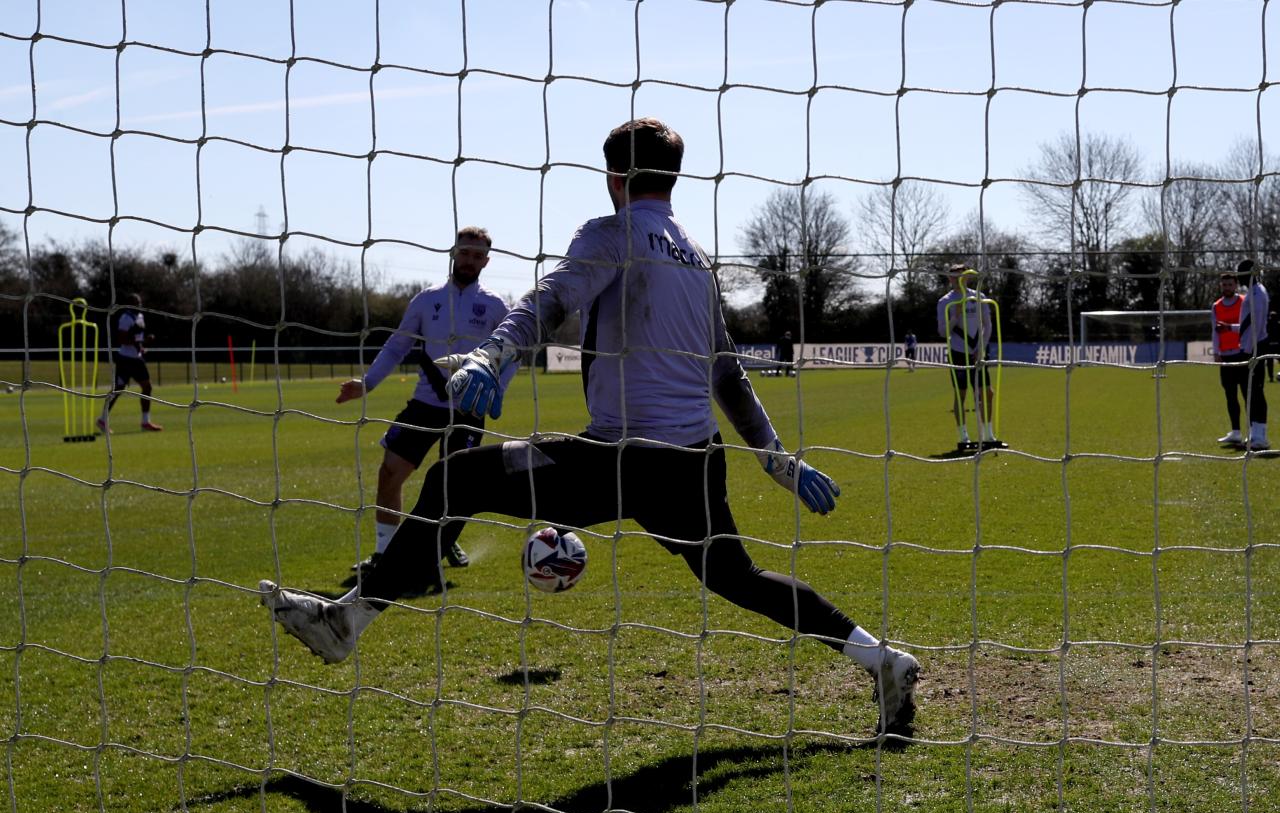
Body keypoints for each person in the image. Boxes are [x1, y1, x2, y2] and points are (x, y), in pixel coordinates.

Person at [260, 117, 920, 734]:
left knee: (458, 477)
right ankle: (881, 658)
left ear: (613, 178)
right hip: (693, 462)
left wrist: (494, 353)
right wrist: (778, 459)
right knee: (738, 578)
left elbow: (548, 301)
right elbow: (729, 376)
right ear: (674, 178)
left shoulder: (613, 234)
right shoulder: (696, 261)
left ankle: (347, 621)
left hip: (622, 460)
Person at [339, 226, 514, 574]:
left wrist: (496, 388)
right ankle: (384, 553)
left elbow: (512, 353)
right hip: (425, 404)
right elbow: (397, 345)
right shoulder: (426, 300)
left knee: (455, 486)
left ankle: (441, 546)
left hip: (467, 410)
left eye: (478, 256)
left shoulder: (495, 306)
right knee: (390, 473)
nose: (470, 260)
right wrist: (367, 383)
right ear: (453, 252)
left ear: (487, 261)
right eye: (465, 253)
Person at [936, 265, 1000, 449]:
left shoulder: (979, 297)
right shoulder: (945, 301)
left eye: (962, 276)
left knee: (986, 392)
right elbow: (942, 332)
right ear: (950, 279)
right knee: (961, 393)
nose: (958, 280)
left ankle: (988, 434)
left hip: (978, 351)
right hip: (957, 351)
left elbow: (987, 325)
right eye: (954, 277)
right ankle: (963, 436)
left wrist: (981, 347)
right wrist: (955, 315)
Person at [1211, 265, 1268, 450]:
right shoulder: (1254, 293)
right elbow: (1247, 324)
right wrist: (1229, 329)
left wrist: (1248, 351)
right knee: (1247, 393)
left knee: (1253, 393)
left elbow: (1256, 326)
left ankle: (1260, 436)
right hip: (1242, 351)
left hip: (1251, 350)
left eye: (1240, 275)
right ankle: (1254, 433)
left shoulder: (1255, 295)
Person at [97, 292, 162, 433]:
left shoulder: (140, 316)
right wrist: (143, 342)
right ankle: (103, 420)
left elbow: (137, 338)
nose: (139, 305)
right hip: (126, 359)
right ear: (129, 305)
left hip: (135, 357)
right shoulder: (125, 318)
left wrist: (142, 347)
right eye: (135, 303)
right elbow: (122, 340)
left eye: (139, 303)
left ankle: (145, 422)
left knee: (143, 387)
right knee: (122, 388)